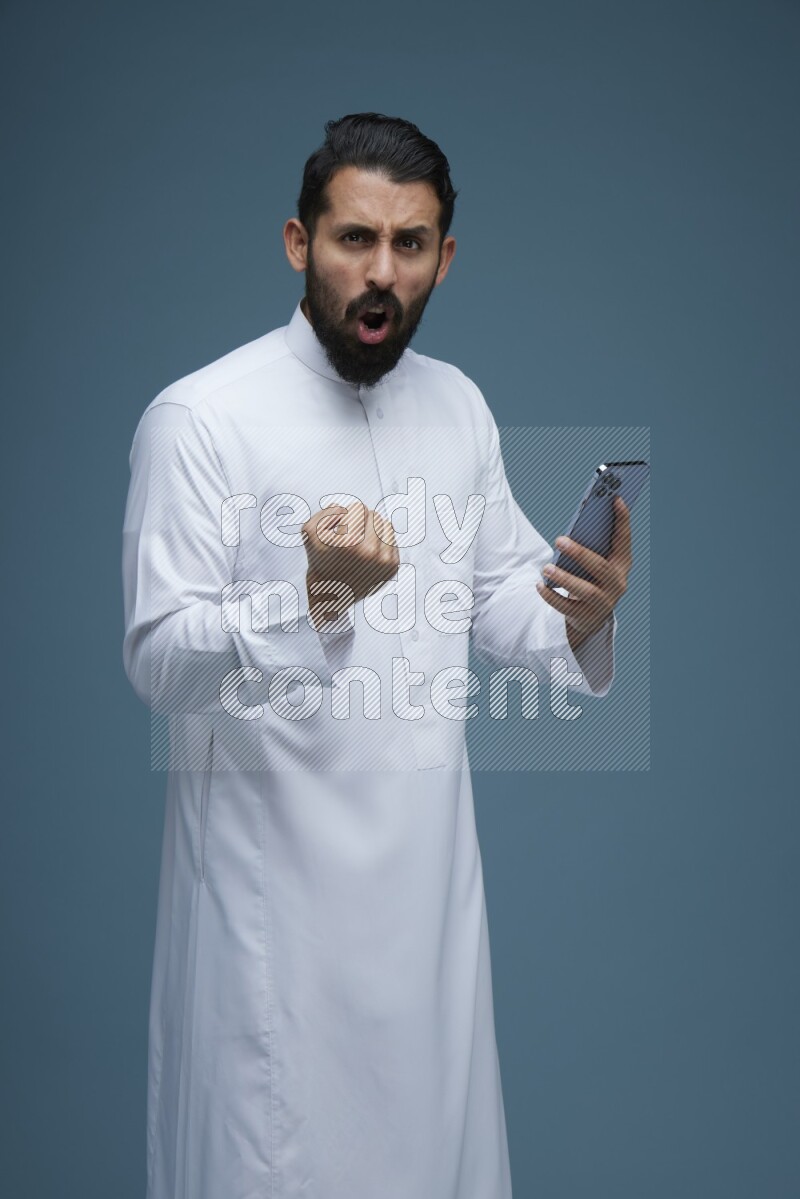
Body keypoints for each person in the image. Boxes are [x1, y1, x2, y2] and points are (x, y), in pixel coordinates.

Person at [122, 112, 632, 1199]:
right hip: (270, 939)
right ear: (298, 243)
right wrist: (308, 602)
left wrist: (579, 613)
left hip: (427, 927)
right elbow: (160, 658)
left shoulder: (457, 407)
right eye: (354, 237)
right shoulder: (201, 420)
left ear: (443, 258)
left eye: (408, 245)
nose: (379, 272)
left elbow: (496, 598)